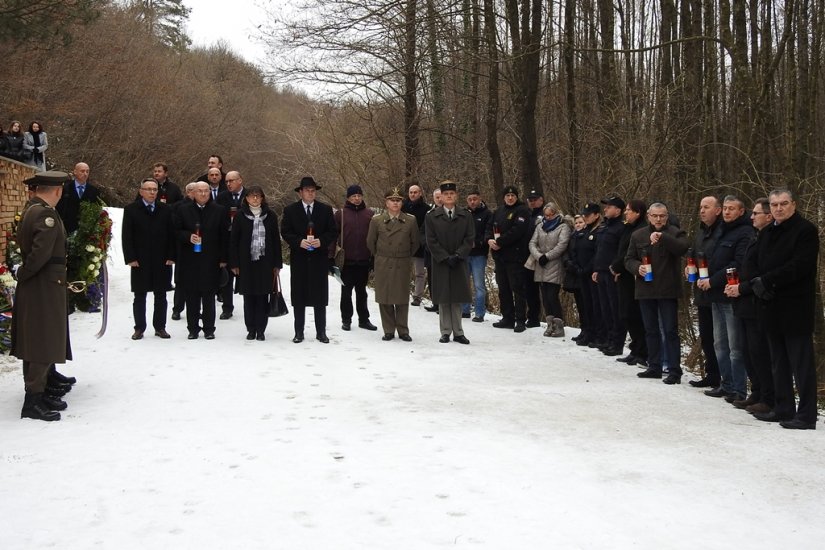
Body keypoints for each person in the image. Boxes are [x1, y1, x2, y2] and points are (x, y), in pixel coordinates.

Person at [747, 189, 819, 429]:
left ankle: (806, 415)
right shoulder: (767, 233)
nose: (778, 208)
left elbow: (800, 265)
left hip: (795, 307)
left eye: (783, 204)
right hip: (770, 305)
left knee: (801, 364)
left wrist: (767, 281)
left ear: (794, 205)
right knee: (778, 362)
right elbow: (757, 263)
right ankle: (783, 408)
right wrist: (758, 284)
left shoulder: (805, 231)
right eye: (774, 204)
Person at [11, 171, 73, 421]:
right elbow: (39, 255)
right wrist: (24, 273)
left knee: (40, 336)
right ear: (56, 190)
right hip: (43, 284)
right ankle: (33, 400)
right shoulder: (44, 214)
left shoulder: (34, 210)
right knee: (42, 339)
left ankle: (39, 391)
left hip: (42, 283)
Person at [625, 202, 690, 384]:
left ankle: (674, 370)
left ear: (667, 216)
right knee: (651, 330)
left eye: (662, 216)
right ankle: (654, 366)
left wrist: (662, 237)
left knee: (670, 331)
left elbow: (682, 248)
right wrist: (637, 268)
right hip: (645, 289)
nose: (659, 219)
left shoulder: (675, 233)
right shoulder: (638, 235)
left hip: (668, 290)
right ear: (648, 217)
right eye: (655, 216)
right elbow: (628, 259)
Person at [697, 195, 753, 402]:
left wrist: (713, 280)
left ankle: (739, 389)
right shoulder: (721, 230)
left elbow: (738, 264)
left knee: (735, 347)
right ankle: (726, 384)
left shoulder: (746, 233)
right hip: (714, 296)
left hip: (731, 296)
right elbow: (712, 258)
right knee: (719, 344)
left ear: (741, 211)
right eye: (726, 208)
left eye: (732, 209)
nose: (728, 212)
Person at [723, 198, 775, 414]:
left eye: (756, 213)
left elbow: (760, 272)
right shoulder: (756, 236)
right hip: (742, 300)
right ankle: (757, 391)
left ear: (768, 216)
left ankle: (768, 396)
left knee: (758, 351)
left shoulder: (767, 238)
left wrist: (741, 288)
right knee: (747, 350)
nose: (752, 217)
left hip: (756, 301)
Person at [281, 176, 338, 343]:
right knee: (299, 296)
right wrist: (299, 242)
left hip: (319, 259)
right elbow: (285, 231)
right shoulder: (290, 210)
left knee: (320, 296)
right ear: (300, 192)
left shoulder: (325, 209)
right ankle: (299, 331)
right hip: (299, 258)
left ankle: (321, 332)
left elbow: (333, 231)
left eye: (313, 191)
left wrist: (321, 241)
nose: (311, 193)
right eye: (307, 190)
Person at [122, 178, 175, 340]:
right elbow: (127, 236)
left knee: (161, 295)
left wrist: (171, 256)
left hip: (161, 259)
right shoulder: (131, 209)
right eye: (149, 189)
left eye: (155, 189)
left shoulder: (166, 209)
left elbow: (171, 234)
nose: (152, 192)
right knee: (140, 295)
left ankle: (160, 327)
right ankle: (139, 327)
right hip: (140, 259)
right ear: (141, 191)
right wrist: (130, 257)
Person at [175, 182, 229, 339]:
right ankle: (192, 329)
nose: (204, 194)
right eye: (200, 191)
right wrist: (187, 237)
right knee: (192, 296)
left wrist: (223, 259)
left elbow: (224, 236)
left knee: (208, 296)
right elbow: (176, 231)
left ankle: (209, 329)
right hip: (189, 259)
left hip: (211, 260)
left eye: (206, 191)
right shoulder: (183, 210)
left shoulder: (219, 210)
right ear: (193, 193)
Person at [230, 186, 283, 341]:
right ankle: (250, 329)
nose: (255, 199)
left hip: (265, 262)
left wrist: (277, 264)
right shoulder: (240, 216)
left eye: (258, 196)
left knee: (262, 297)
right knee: (249, 297)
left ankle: (261, 329)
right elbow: (233, 240)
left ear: (262, 198)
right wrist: (234, 263)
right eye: (252, 196)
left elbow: (275, 241)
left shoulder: (270, 215)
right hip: (246, 262)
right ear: (246, 198)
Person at [366, 187, 420, 341]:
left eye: (398, 200)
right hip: (383, 261)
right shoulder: (376, 220)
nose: (395, 203)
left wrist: (403, 255)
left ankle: (403, 330)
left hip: (402, 261)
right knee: (385, 296)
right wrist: (381, 255)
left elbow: (415, 242)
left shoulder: (411, 220)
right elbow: (371, 242)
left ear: (402, 203)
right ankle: (388, 329)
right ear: (386, 202)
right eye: (392, 200)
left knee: (402, 297)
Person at [426, 181, 474, 344]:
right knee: (444, 296)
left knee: (457, 296)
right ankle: (445, 331)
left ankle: (458, 332)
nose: (448, 196)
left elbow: (469, 238)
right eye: (446, 194)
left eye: (452, 194)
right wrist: (445, 257)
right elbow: (431, 240)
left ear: (456, 196)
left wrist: (459, 255)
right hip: (441, 262)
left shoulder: (465, 216)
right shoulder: (432, 216)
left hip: (458, 261)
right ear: (441, 197)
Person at [687, 196, 722, 388]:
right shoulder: (701, 231)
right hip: (701, 291)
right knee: (707, 336)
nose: (701, 211)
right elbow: (694, 252)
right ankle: (712, 375)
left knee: (721, 340)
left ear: (718, 210)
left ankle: (726, 380)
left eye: (706, 207)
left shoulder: (722, 231)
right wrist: (688, 265)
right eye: (700, 207)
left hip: (717, 290)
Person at [486, 185, 532, 332]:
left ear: (516, 197)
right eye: (507, 196)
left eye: (513, 195)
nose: (510, 198)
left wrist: (500, 242)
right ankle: (507, 317)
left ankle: (520, 320)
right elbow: (489, 227)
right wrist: (489, 240)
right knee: (503, 289)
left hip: (515, 257)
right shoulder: (499, 211)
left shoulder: (523, 210)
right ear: (504, 197)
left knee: (517, 289)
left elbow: (517, 231)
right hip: (499, 257)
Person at [334, 184, 377, 332]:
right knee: (346, 293)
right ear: (348, 198)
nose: (357, 198)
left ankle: (364, 319)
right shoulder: (341, 214)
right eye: (353, 196)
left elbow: (375, 238)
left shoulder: (370, 214)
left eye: (359, 195)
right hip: (346, 260)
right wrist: (331, 257)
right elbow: (333, 236)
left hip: (364, 260)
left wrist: (373, 257)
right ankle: (346, 319)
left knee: (362, 292)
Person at [612, 200, 648, 366]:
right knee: (625, 313)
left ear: (638, 212)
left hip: (633, 276)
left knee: (634, 313)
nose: (626, 213)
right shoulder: (627, 227)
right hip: (623, 273)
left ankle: (642, 350)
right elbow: (621, 250)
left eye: (628, 210)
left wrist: (617, 266)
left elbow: (631, 253)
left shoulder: (641, 230)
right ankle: (635, 348)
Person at [527, 202, 571, 337]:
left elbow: (562, 245)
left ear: (556, 214)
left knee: (552, 296)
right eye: (546, 215)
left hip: (554, 264)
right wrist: (539, 256)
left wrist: (548, 256)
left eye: (551, 215)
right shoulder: (540, 226)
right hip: (541, 263)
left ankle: (558, 325)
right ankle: (549, 323)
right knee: (545, 297)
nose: (548, 217)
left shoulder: (563, 227)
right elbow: (532, 243)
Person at [592, 196, 627, 355]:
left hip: (613, 273)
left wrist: (617, 269)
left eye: (609, 207)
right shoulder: (604, 226)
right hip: (601, 271)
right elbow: (599, 250)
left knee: (615, 309)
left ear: (618, 210)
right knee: (605, 308)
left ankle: (617, 343)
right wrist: (596, 269)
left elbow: (621, 252)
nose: (605, 209)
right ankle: (608, 339)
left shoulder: (621, 228)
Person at [216, 170, 248, 320]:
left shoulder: (249, 195)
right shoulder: (222, 197)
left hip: (245, 241)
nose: (228, 184)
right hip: (228, 241)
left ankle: (251, 306)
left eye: (232, 181)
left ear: (240, 180)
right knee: (227, 277)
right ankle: (227, 307)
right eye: (227, 181)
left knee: (247, 275)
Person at [571, 202, 604, 347]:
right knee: (586, 306)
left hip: (593, 273)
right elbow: (577, 251)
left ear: (596, 215)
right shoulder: (586, 231)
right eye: (584, 215)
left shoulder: (599, 230)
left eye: (588, 215)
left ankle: (598, 334)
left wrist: (587, 268)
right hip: (581, 273)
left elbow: (597, 253)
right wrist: (576, 266)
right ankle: (588, 332)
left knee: (596, 306)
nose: (585, 218)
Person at [462, 188, 491, 322]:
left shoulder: (487, 214)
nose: (472, 202)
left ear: (480, 199)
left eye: (475, 199)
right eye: (470, 200)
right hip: (464, 253)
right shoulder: (463, 213)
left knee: (479, 285)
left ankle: (479, 313)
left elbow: (488, 233)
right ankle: (465, 310)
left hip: (479, 254)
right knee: (464, 283)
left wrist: (477, 243)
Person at [171, 182, 198, 320]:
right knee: (181, 281)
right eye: (196, 191)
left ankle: (195, 309)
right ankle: (177, 308)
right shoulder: (178, 207)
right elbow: (174, 229)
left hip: (199, 248)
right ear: (189, 192)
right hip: (183, 247)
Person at [402, 184, 430, 306]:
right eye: (411, 192)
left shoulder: (426, 209)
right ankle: (401, 293)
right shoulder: (403, 207)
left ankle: (417, 296)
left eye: (415, 192)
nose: (413, 194)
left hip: (419, 245)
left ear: (420, 193)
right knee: (402, 270)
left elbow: (427, 228)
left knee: (419, 273)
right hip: (404, 244)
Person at [55, 162, 101, 234]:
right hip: (66, 229)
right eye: (82, 171)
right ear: (75, 172)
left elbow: (97, 210)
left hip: (85, 231)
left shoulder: (94, 191)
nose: (85, 174)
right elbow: (58, 208)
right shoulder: (65, 188)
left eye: (87, 171)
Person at [563, 215, 588, 342]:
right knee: (579, 305)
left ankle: (589, 331)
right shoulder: (572, 237)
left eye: (580, 222)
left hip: (584, 273)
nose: (578, 224)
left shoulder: (587, 236)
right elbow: (567, 252)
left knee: (586, 305)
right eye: (576, 222)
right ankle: (583, 330)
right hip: (573, 273)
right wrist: (568, 263)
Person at [524, 189, 546, 327]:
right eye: (530, 199)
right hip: (529, 256)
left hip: (543, 256)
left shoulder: (546, 215)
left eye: (535, 199)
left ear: (541, 200)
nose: (533, 202)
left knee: (546, 291)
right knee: (530, 288)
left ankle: (553, 320)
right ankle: (533, 317)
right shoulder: (528, 214)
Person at [423, 188, 443, 312]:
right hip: (430, 252)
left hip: (444, 252)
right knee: (432, 279)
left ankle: (443, 304)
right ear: (433, 198)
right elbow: (422, 231)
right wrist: (425, 243)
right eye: (437, 197)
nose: (439, 199)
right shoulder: (429, 213)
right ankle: (435, 302)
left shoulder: (450, 212)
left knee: (443, 279)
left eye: (441, 196)